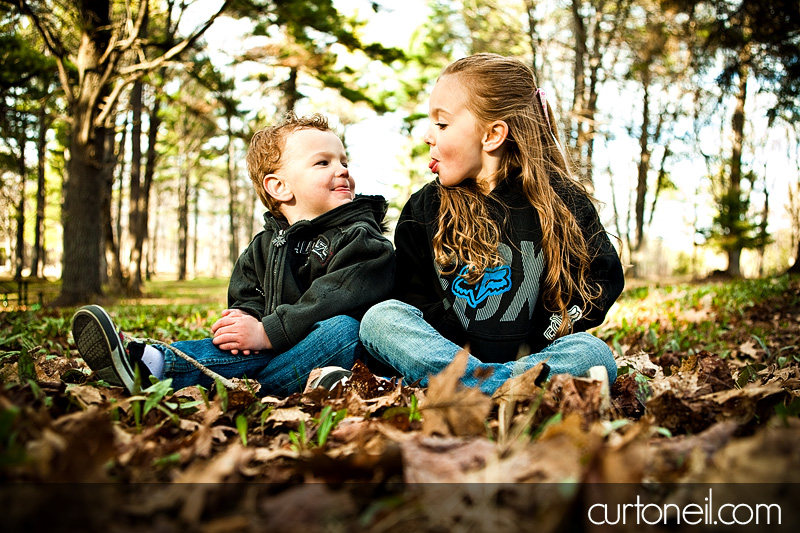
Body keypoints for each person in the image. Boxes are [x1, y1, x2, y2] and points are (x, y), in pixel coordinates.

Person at [72, 113, 395, 396]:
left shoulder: (361, 237)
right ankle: (154, 364)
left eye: (343, 162)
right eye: (323, 163)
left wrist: (267, 332)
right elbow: (247, 296)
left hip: (347, 351)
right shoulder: (264, 245)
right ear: (279, 187)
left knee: (342, 328)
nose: (342, 171)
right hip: (286, 354)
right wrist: (246, 322)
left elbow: (335, 297)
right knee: (246, 340)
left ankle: (168, 369)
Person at [359, 53, 624, 395]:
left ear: (492, 134)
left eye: (441, 124)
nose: (427, 135)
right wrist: (451, 342)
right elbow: (412, 296)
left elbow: (601, 279)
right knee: (380, 318)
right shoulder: (425, 207)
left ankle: (478, 389)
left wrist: (547, 332)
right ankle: (499, 389)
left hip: (535, 357)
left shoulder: (561, 200)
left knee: (595, 353)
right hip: (447, 355)